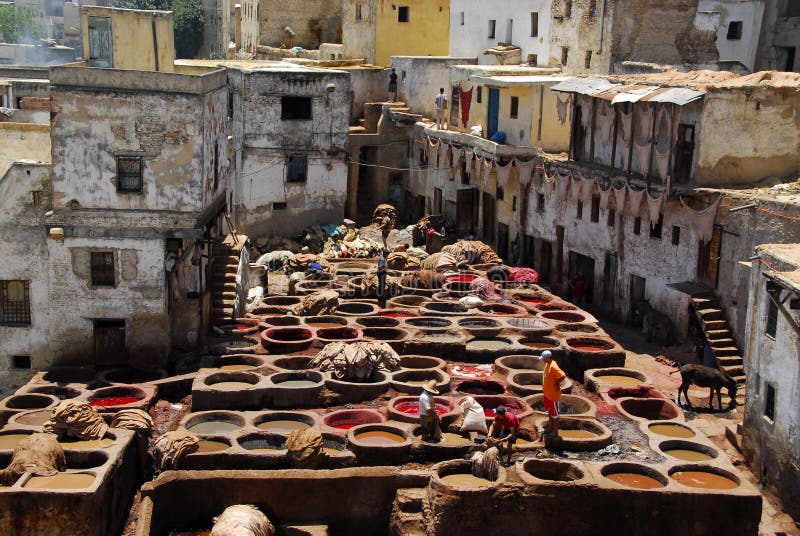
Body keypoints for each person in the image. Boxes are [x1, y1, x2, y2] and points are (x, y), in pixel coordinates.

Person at [540, 350, 566, 438]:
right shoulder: (548, 364)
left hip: (553, 396)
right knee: (550, 412)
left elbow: (563, 375)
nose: (542, 360)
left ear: (548, 358)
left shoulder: (553, 366)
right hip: (547, 394)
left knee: (555, 415)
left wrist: (557, 383)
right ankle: (550, 427)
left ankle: (555, 432)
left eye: (543, 358)